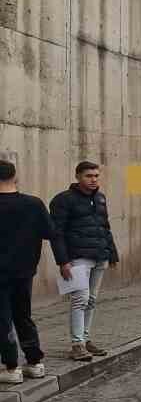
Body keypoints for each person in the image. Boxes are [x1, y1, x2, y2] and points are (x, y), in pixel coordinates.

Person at [0, 159, 68, 385]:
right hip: (24, 271)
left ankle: (11, 367)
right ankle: (35, 362)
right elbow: (53, 234)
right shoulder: (34, 204)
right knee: (23, 315)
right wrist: (63, 262)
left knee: (3, 319)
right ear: (15, 177)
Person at [50, 160, 119, 362]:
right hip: (78, 258)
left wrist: (112, 254)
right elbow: (57, 233)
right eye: (89, 176)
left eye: (96, 175)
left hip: (100, 256)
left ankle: (86, 340)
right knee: (80, 300)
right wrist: (63, 261)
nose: (93, 180)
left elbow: (105, 227)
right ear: (78, 176)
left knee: (91, 301)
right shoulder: (63, 200)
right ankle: (77, 344)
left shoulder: (100, 198)